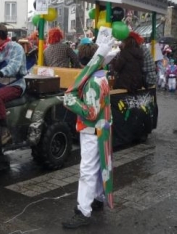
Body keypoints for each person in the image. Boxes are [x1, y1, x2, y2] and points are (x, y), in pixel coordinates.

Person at [62, 37, 116, 229]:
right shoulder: (101, 75)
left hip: (92, 130)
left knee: (87, 171)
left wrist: (70, 101)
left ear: (83, 61)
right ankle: (98, 198)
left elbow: (90, 113)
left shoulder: (93, 80)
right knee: (101, 164)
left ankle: (83, 211)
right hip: (103, 128)